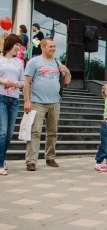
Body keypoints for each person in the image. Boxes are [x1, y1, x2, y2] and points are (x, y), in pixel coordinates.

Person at [23, 38, 71, 171]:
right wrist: (27, 101)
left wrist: (67, 71)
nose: (53, 49)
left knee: (52, 132)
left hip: (55, 102)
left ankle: (50, 157)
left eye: (54, 46)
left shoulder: (57, 62)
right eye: (50, 46)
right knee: (35, 132)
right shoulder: (34, 61)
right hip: (37, 102)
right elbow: (26, 83)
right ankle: (31, 161)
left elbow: (66, 81)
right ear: (43, 47)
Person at [0, 34, 25, 175]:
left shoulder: (19, 62)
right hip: (1, 97)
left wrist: (18, 84)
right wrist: (4, 81)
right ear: (10, 44)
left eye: (19, 46)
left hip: (14, 99)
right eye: (17, 45)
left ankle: (1, 159)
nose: (18, 48)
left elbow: (23, 81)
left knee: (9, 134)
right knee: (2, 132)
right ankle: (0, 163)